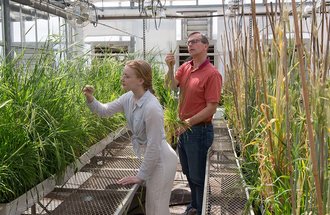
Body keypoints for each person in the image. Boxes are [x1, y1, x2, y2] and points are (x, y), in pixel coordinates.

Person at [83, 60, 178, 215]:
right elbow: (105, 111)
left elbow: (154, 146)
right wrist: (90, 98)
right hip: (152, 157)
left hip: (161, 160)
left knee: (157, 209)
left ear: (140, 80)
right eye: (123, 75)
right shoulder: (129, 97)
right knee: (152, 209)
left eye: (127, 76)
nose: (122, 78)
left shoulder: (152, 107)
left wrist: (140, 176)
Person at [165, 32, 222, 215]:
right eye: (188, 42)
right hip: (185, 129)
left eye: (195, 42)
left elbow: (211, 108)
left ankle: (200, 208)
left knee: (198, 176)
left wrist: (188, 122)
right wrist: (170, 67)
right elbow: (170, 86)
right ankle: (195, 206)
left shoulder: (212, 74)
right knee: (189, 172)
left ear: (206, 46)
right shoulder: (185, 67)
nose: (190, 44)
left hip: (198, 130)